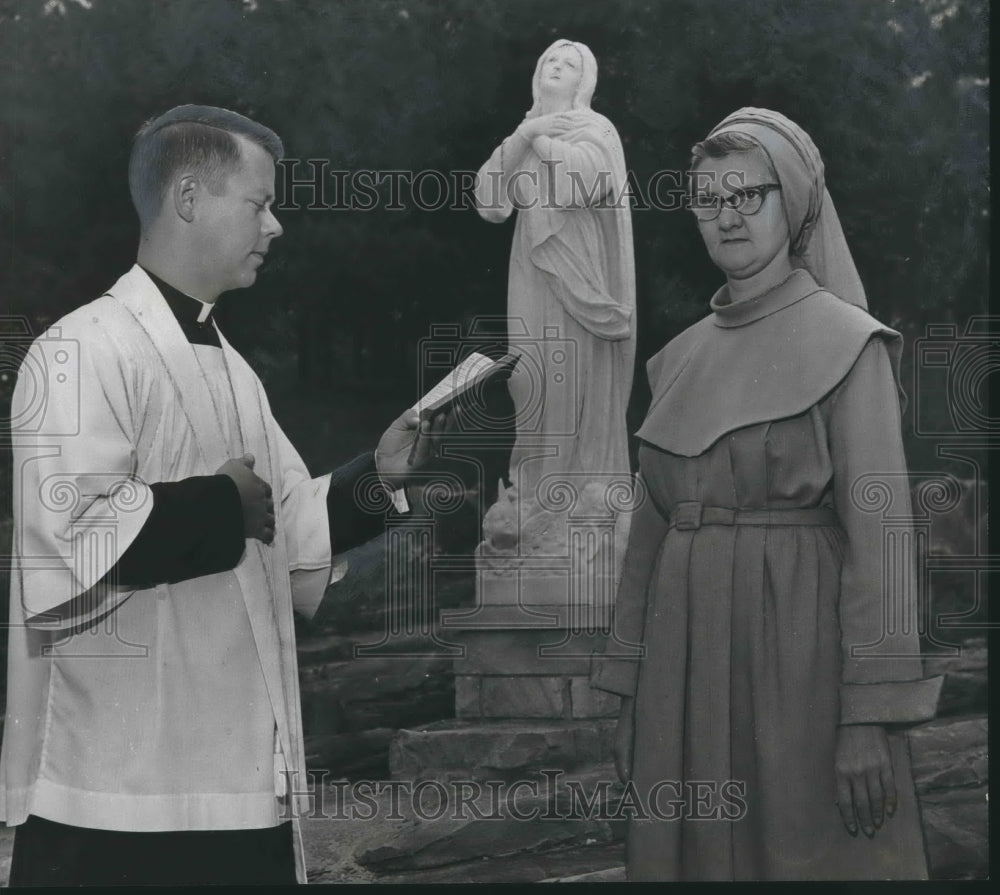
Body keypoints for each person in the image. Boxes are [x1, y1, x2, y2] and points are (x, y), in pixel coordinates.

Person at [0, 104, 440, 886]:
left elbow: (286, 522)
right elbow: (69, 539)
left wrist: (378, 477)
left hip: (236, 775)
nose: (275, 226)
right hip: (115, 788)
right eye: (259, 203)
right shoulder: (79, 348)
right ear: (189, 198)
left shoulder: (233, 368)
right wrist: (220, 504)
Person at [590, 108, 943, 880]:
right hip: (683, 675)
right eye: (709, 199)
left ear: (795, 202)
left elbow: (882, 543)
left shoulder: (848, 344)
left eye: (748, 194)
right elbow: (646, 546)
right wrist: (631, 698)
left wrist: (866, 717)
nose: (728, 216)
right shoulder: (675, 360)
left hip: (801, 671)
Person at [473, 39, 635, 514]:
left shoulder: (596, 128)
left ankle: (569, 493)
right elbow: (489, 200)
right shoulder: (524, 133)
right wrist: (527, 133)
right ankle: (531, 487)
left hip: (578, 272)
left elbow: (581, 184)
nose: (557, 67)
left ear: (585, 81)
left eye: (569, 64)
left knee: (570, 374)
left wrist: (541, 137)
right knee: (529, 376)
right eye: (551, 61)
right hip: (531, 267)